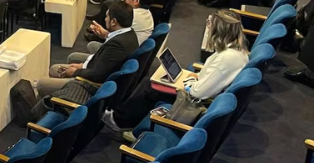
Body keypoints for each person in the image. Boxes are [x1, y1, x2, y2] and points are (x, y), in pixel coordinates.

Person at [103, 10, 249, 132]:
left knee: (151, 86)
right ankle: (129, 119)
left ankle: (118, 121)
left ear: (219, 31)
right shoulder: (237, 51)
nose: (208, 29)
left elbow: (197, 93)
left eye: (210, 25)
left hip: (195, 102)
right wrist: (194, 77)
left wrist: (188, 80)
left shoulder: (226, 58)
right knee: (156, 81)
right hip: (202, 91)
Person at [37, 1, 138, 96]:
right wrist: (82, 65)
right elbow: (104, 63)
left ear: (113, 22)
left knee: (41, 84)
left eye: (107, 16)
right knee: (55, 68)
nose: (105, 19)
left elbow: (98, 75)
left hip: (91, 85)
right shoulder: (129, 34)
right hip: (94, 70)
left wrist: (75, 72)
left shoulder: (117, 45)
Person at [87, 0, 153, 48]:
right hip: (128, 43)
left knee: (92, 46)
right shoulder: (146, 11)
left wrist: (104, 34)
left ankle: (97, 37)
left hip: (123, 48)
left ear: (136, 1)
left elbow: (115, 28)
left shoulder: (132, 15)